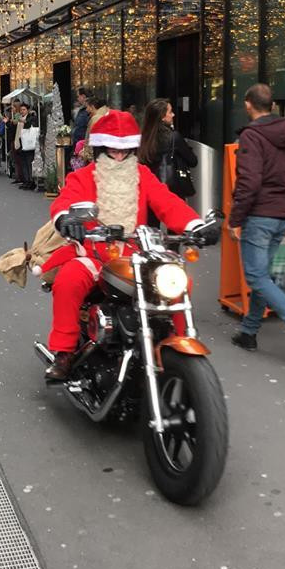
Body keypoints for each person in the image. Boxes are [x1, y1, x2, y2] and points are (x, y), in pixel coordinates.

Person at [41, 110, 214, 382]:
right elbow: (64, 202)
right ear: (100, 148)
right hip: (95, 254)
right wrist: (67, 219)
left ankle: (181, 347)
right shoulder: (84, 177)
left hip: (137, 255)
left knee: (179, 282)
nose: (119, 156)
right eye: (112, 150)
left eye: (125, 151)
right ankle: (64, 352)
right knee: (68, 281)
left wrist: (195, 226)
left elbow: (168, 203)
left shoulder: (142, 175)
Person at [228, 83, 285, 367]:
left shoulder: (252, 137)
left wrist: (235, 219)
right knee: (264, 276)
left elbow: (249, 182)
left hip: (259, 216)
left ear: (248, 105)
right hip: (281, 214)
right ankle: (249, 332)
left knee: (257, 277)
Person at [139, 98, 198, 222]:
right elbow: (193, 161)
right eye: (170, 112)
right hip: (172, 189)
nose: (173, 115)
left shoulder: (143, 138)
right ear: (162, 117)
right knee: (176, 227)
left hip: (150, 190)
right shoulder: (174, 137)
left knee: (152, 229)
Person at [14, 102, 38, 190]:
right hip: (21, 142)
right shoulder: (20, 118)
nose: (22, 111)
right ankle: (26, 180)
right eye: (21, 110)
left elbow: (29, 125)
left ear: (27, 110)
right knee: (23, 162)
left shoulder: (31, 117)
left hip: (29, 143)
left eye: (24, 109)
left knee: (29, 162)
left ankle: (31, 181)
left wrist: (23, 121)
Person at [81, 95, 109, 163]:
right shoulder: (106, 115)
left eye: (87, 107)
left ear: (92, 107)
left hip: (96, 159)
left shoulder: (96, 119)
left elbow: (93, 140)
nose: (86, 110)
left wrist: (87, 156)